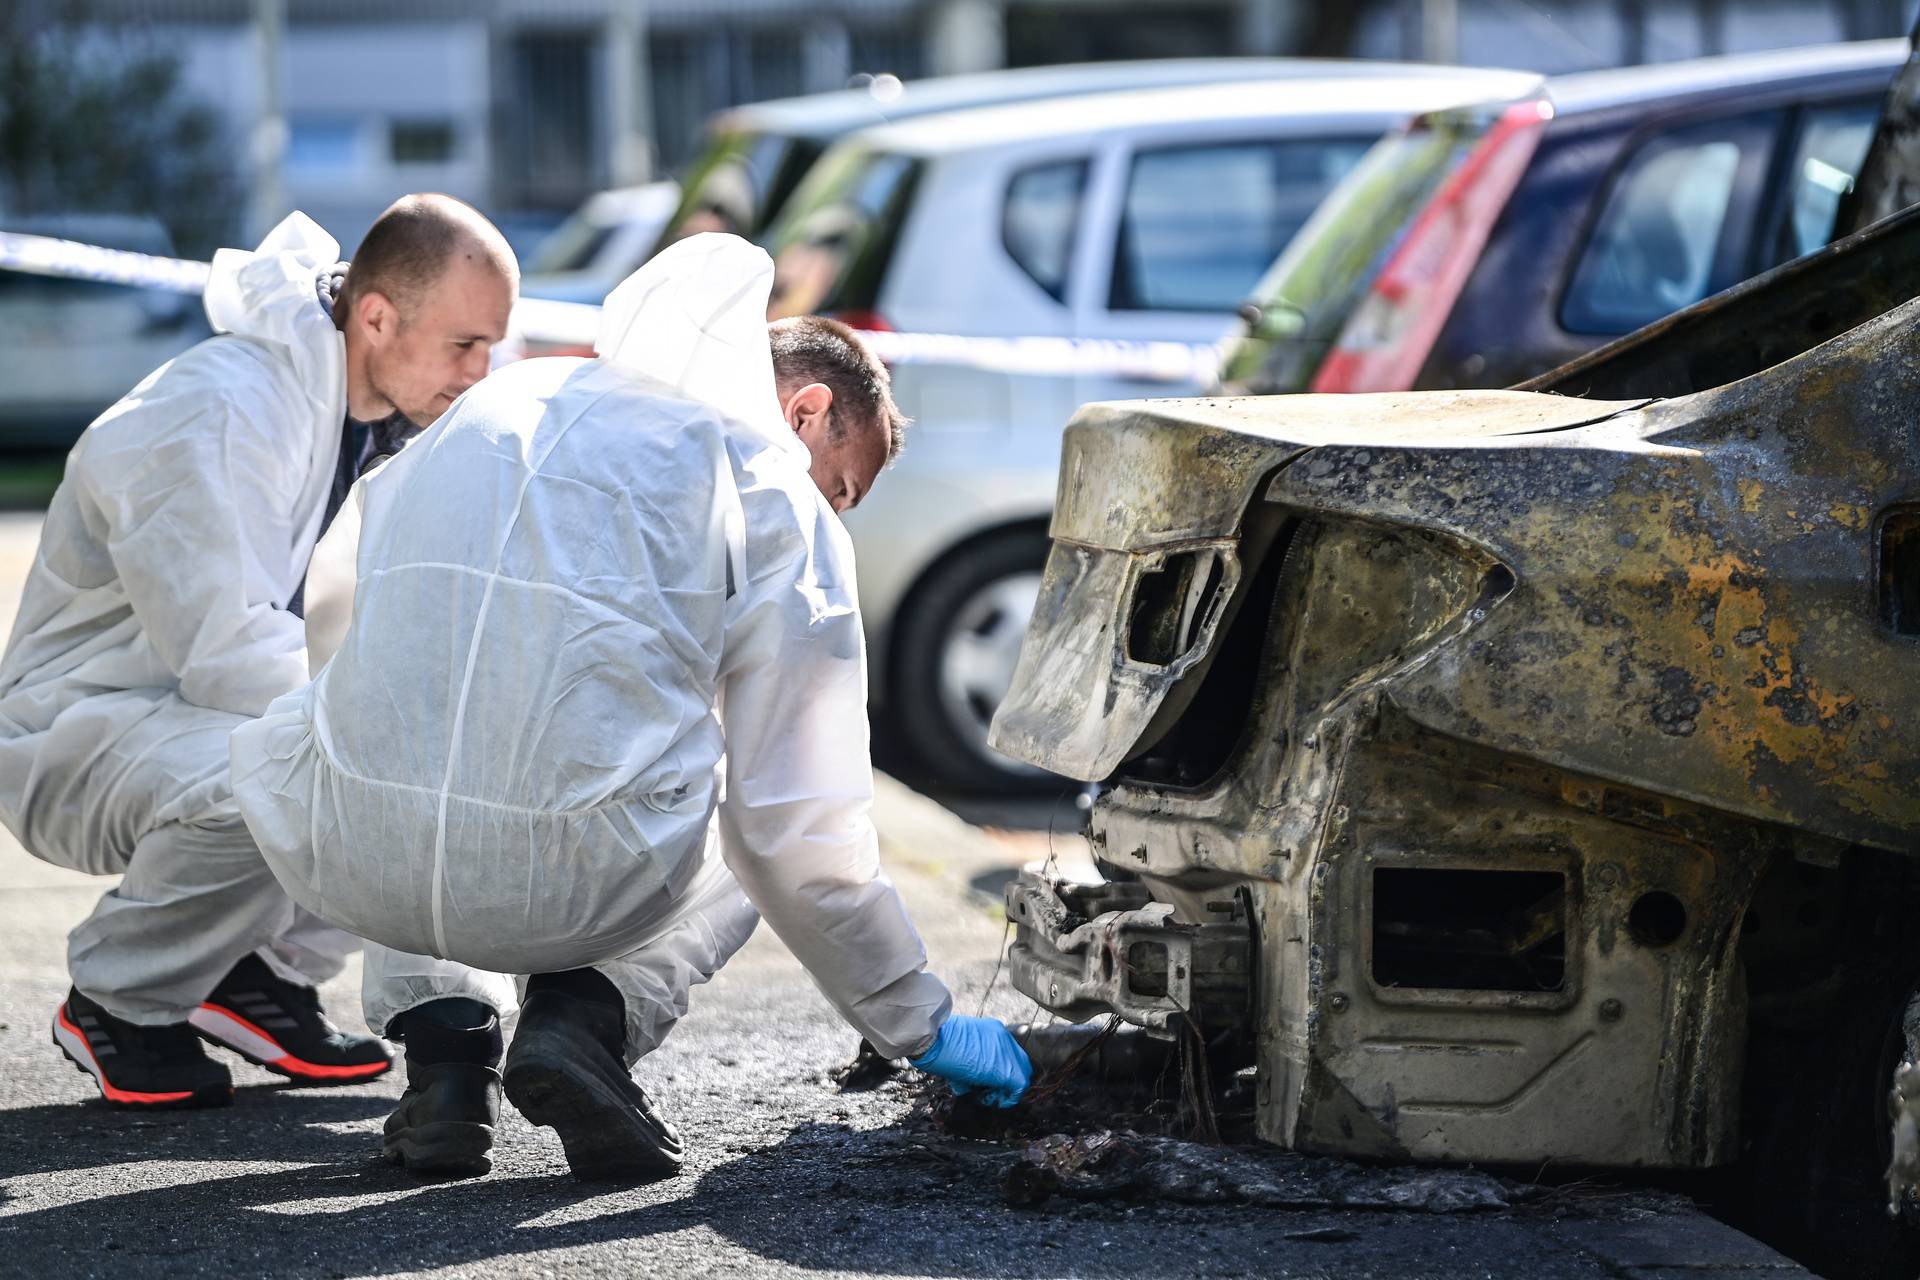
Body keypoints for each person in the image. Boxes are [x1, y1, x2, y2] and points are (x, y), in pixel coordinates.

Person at [229, 233, 1031, 1181]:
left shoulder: (500, 401)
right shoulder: (767, 483)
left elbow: (342, 619)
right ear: (807, 411)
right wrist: (918, 1023)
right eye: (843, 486)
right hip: (567, 891)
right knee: (750, 806)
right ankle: (585, 1020)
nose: (834, 511)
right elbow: (799, 828)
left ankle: (444, 1069)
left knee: (406, 732)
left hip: (346, 859)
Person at [0, 194, 518, 1107]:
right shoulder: (216, 410)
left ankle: (252, 973)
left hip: (192, 717)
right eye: (464, 345)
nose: (481, 374)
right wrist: (405, 718)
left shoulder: (383, 421)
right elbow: (223, 649)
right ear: (376, 316)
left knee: (424, 753)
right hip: (84, 724)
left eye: (492, 347)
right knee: (310, 768)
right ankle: (120, 998)